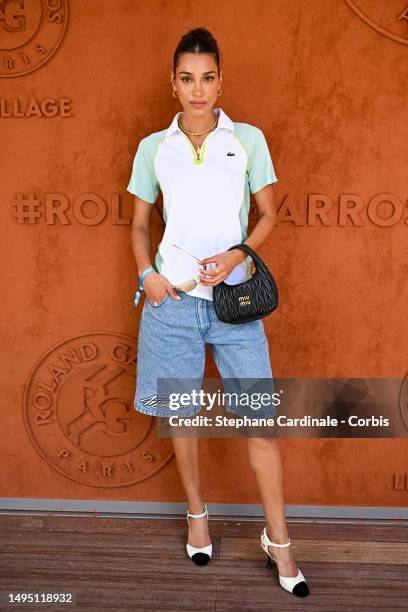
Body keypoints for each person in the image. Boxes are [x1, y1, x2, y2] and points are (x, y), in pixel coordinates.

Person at [127, 27, 309, 598]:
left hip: (235, 303)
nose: (197, 89)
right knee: (183, 420)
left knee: (260, 423)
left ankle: (279, 541)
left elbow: (271, 215)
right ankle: (197, 515)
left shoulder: (247, 139)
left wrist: (237, 253)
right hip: (172, 303)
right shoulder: (154, 147)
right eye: (187, 78)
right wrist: (147, 277)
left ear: (220, 81)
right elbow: (137, 225)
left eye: (207, 78)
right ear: (173, 84)